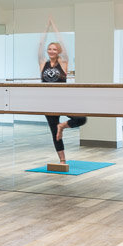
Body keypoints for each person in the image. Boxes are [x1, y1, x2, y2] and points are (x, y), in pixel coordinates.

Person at [38, 17, 87, 162]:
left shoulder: (64, 63)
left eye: (54, 49)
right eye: (50, 49)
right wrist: (46, 28)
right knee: (54, 133)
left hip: (63, 101)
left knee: (81, 118)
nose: (51, 51)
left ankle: (63, 125)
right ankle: (62, 161)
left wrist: (54, 27)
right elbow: (40, 45)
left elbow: (64, 46)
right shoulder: (43, 64)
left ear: (58, 51)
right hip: (48, 103)